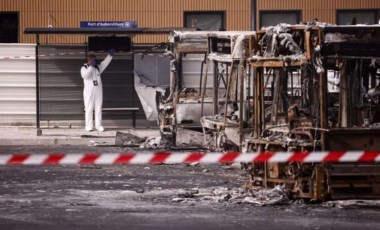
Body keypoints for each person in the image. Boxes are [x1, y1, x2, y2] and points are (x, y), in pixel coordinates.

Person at [80, 49, 115, 132]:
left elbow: (105, 63)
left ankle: (98, 125)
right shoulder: (84, 68)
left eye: (94, 59)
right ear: (88, 60)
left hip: (98, 90)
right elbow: (85, 76)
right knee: (89, 108)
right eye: (91, 60)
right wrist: (91, 67)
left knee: (98, 108)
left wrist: (110, 56)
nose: (93, 61)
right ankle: (88, 126)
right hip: (89, 92)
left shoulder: (98, 68)